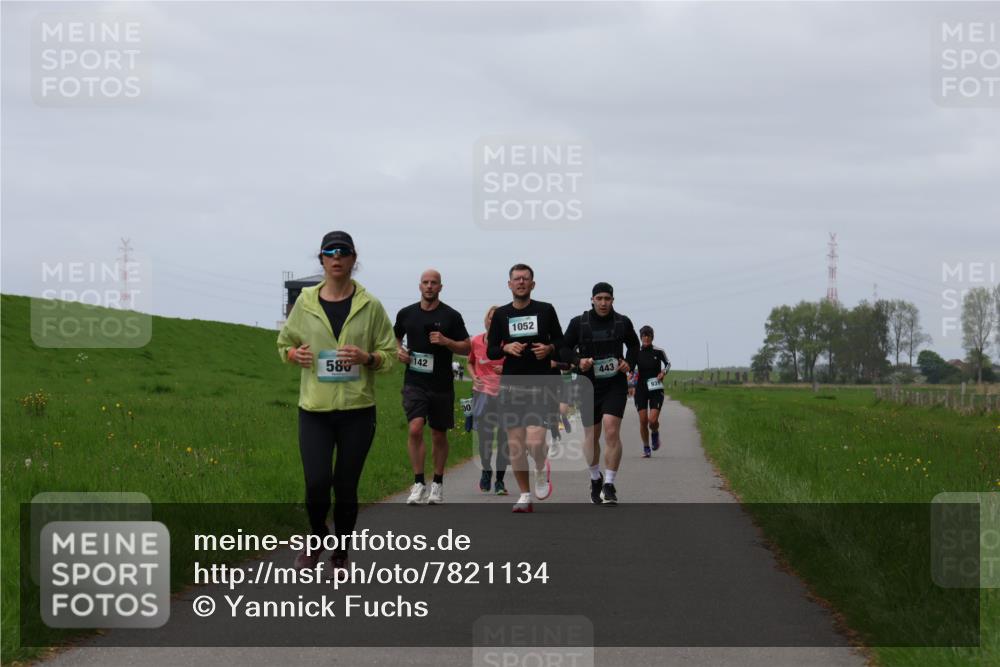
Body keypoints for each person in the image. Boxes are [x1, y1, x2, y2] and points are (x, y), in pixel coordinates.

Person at [277, 231, 396, 571]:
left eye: (343, 252)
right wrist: (292, 354)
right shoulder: (305, 302)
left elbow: (389, 354)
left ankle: (341, 552)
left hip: (357, 411)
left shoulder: (370, 305)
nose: (337, 258)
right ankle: (316, 537)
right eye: (330, 253)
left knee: (345, 486)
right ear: (322, 260)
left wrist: (367, 357)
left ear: (354, 259)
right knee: (316, 483)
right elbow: (284, 342)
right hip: (314, 410)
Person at [487, 263, 564, 513]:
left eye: (526, 278)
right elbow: (491, 350)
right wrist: (505, 349)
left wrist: (550, 349)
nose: (521, 282)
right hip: (512, 386)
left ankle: (541, 469)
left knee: (534, 442)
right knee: (516, 446)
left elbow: (561, 342)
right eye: (516, 278)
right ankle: (524, 494)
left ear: (533, 284)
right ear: (509, 284)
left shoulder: (545, 310)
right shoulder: (501, 315)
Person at [394, 270, 471, 505]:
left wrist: (447, 342)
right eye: (425, 283)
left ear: (440, 287)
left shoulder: (451, 316)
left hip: (441, 383)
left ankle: (437, 483)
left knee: (439, 434)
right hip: (415, 382)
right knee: (415, 429)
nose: (429, 286)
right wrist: (400, 350)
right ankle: (418, 483)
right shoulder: (406, 314)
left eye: (433, 283)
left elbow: (466, 348)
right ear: (419, 286)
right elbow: (394, 337)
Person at [561, 282, 639, 506]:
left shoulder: (622, 322)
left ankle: (609, 484)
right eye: (600, 298)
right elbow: (563, 348)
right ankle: (595, 477)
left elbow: (633, 346)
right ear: (592, 300)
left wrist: (629, 363)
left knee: (611, 429)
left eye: (608, 298)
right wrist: (578, 361)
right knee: (591, 436)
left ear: (613, 300)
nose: (603, 303)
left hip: (614, 383)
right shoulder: (579, 323)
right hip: (588, 384)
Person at [467, 305, 509, 495]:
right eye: (491, 318)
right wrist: (473, 375)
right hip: (482, 394)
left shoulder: (508, 343)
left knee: (504, 439)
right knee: (485, 438)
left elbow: (521, 366)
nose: (493, 321)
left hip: (506, 394)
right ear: (486, 320)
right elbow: (469, 362)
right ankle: (486, 470)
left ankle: (500, 481)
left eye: (497, 318)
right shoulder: (476, 341)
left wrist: (507, 370)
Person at [633, 325, 671, 457]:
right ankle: (646, 447)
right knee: (643, 420)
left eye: (648, 335)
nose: (646, 338)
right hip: (641, 389)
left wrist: (663, 372)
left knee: (652, 421)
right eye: (644, 335)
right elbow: (631, 367)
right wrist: (630, 375)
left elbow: (668, 363)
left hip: (655, 388)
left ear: (652, 337)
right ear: (641, 337)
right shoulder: (636, 351)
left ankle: (655, 433)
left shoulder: (658, 351)